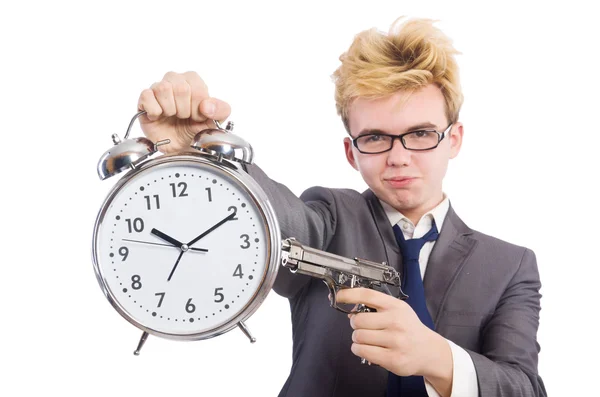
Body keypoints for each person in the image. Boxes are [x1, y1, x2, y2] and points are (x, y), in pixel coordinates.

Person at [137, 17, 546, 397]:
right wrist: (204, 149)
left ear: (453, 139)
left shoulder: (510, 266)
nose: (398, 157)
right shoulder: (329, 216)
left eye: (420, 133)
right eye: (375, 137)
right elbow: (276, 223)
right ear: (351, 152)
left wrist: (437, 358)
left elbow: (524, 387)